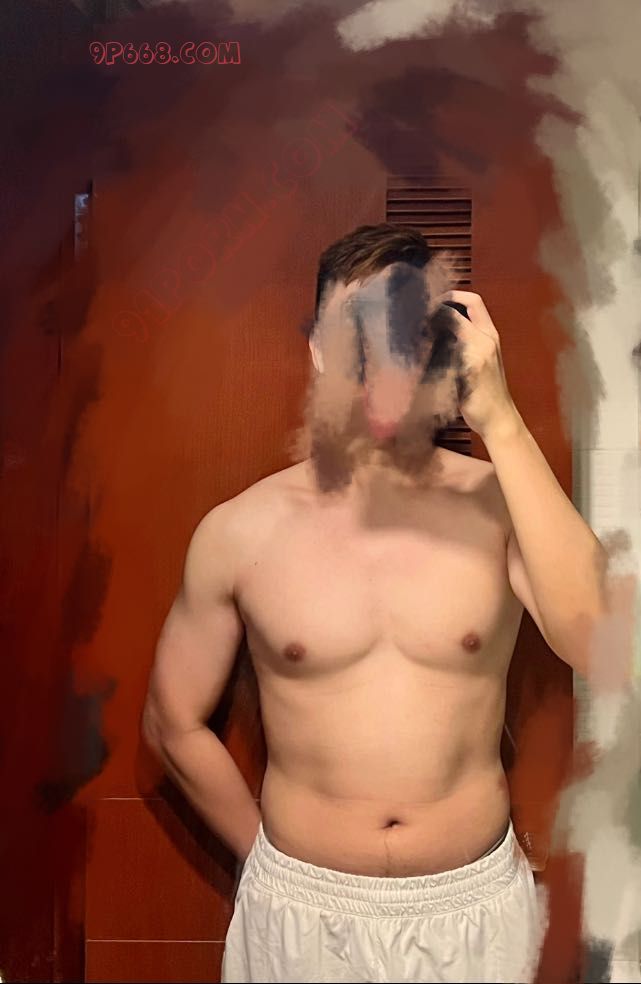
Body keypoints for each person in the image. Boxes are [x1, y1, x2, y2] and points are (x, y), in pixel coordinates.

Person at [142, 224, 607, 983]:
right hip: (299, 913)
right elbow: (173, 721)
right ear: (319, 350)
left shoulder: (502, 507)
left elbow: (597, 642)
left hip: (475, 914)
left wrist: (499, 416)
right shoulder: (240, 531)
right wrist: (272, 865)